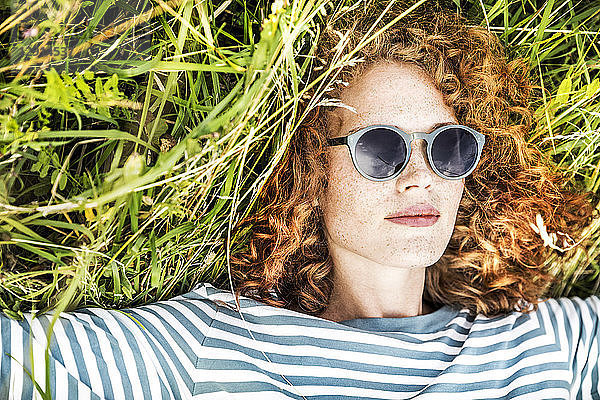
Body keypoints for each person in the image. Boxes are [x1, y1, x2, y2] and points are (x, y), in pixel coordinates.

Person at [1, 1, 599, 399]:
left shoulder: (537, 340)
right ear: (313, 167)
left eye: (449, 146)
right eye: (382, 146)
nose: (422, 179)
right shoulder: (211, 344)